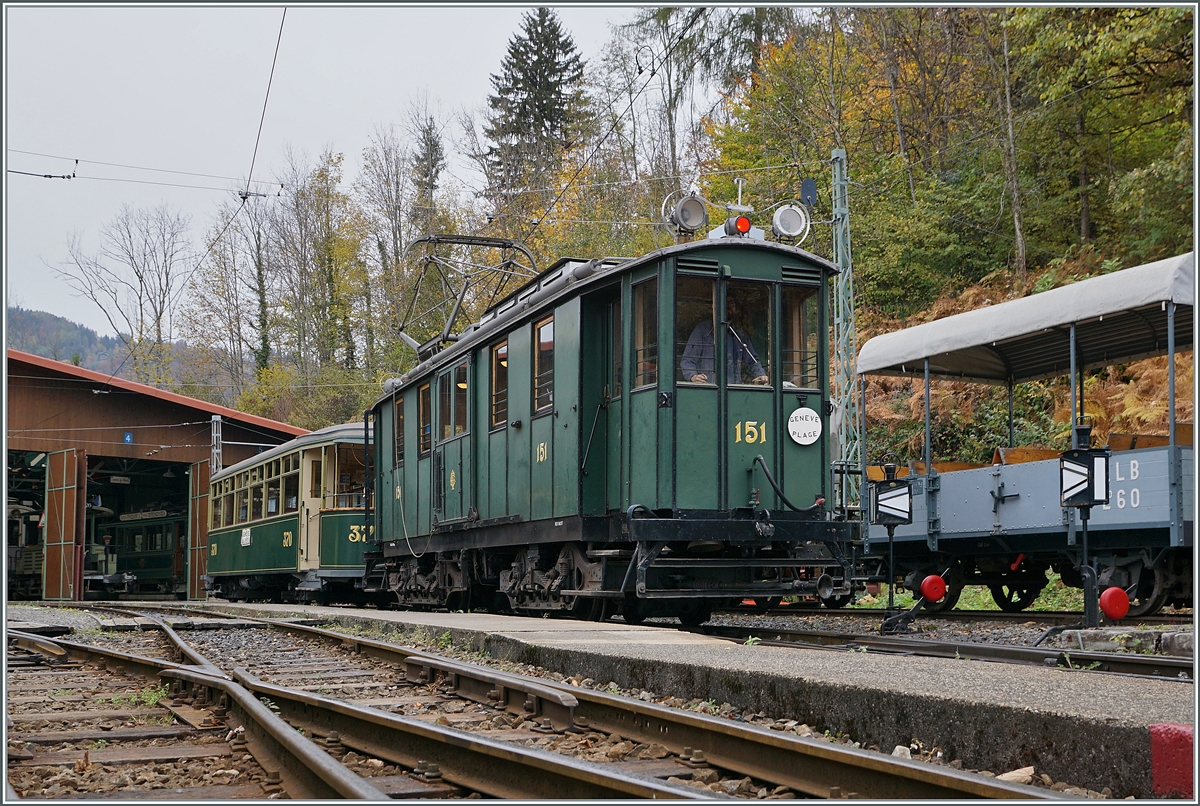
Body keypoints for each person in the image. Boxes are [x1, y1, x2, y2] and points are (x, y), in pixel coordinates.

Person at [681, 299, 768, 384]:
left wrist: (760, 374)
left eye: (732, 303)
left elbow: (752, 360)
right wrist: (693, 376)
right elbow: (688, 361)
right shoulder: (702, 330)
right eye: (725, 302)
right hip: (708, 390)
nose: (728, 306)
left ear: (735, 309)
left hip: (733, 390)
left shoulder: (740, 334)